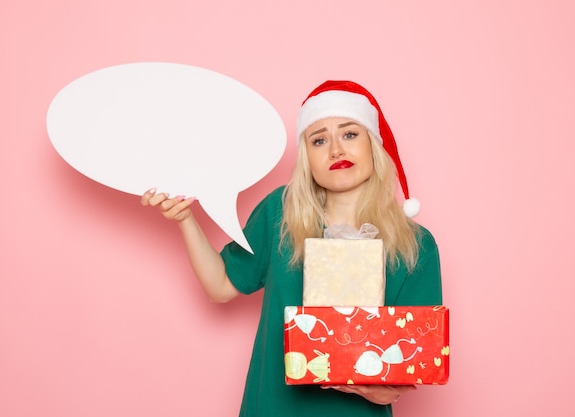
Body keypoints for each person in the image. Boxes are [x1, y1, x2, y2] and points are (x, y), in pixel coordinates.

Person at [141, 80, 442, 417]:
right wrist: (185, 219)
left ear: (373, 143)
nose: (336, 151)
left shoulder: (416, 246)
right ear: (307, 157)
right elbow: (221, 286)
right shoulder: (279, 215)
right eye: (319, 140)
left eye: (350, 134)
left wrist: (385, 392)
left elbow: (414, 355)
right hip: (274, 407)